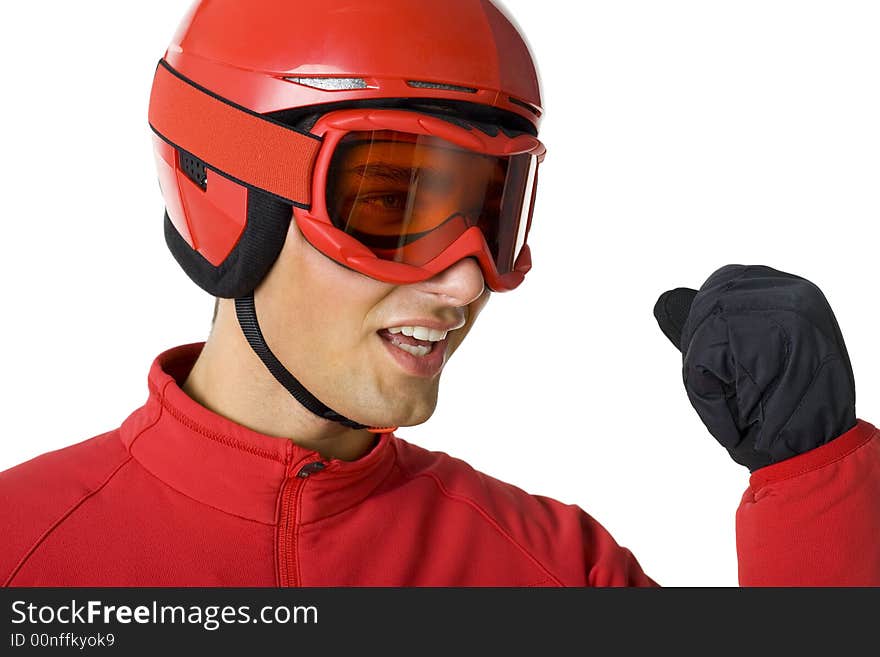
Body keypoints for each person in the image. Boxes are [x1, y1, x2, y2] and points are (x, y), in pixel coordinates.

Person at [1, 0, 878, 587]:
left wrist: (812, 485)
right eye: (390, 203)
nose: (466, 280)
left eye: (492, 216)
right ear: (232, 197)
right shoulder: (22, 556)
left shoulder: (554, 573)